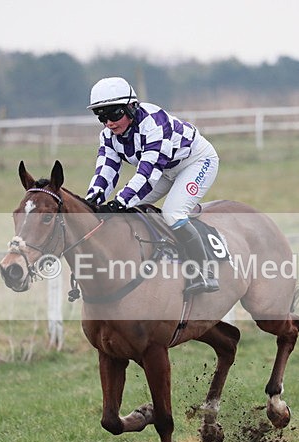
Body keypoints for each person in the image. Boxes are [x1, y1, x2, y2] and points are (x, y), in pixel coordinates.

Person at [85, 76, 220, 296]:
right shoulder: (108, 136)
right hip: (164, 169)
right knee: (126, 212)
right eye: (101, 116)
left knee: (173, 213)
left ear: (131, 107)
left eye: (114, 114)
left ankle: (205, 272)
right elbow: (105, 171)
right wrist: (92, 198)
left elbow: (147, 175)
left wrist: (118, 201)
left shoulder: (154, 124)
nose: (109, 123)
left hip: (195, 162)